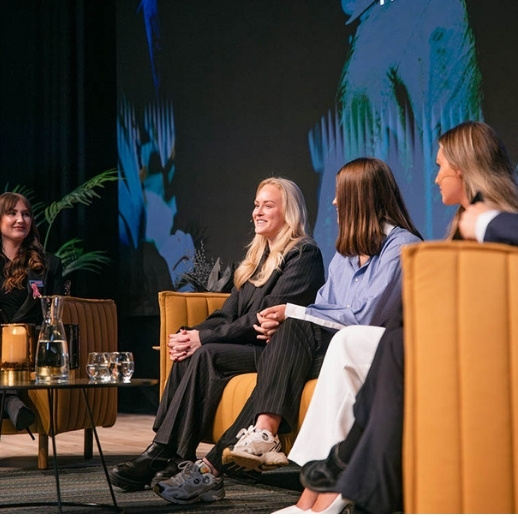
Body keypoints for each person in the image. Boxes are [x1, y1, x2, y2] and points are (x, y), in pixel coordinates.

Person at [275, 120, 518, 514]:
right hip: (443, 343)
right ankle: (325, 493)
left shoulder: (490, 222)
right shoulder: (459, 224)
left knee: (383, 342)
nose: (436, 176)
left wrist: (485, 222)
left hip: (478, 351)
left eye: (441, 166)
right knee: (370, 343)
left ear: (464, 169)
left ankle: (333, 480)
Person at [153, 157, 422, 506]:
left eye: (341, 195)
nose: (335, 202)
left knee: (290, 332)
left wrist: (292, 313)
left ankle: (217, 463)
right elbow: (323, 306)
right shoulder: (346, 252)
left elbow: (364, 316)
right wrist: (286, 317)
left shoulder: (401, 247)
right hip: (327, 347)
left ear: (361, 198)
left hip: (369, 353)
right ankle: (244, 444)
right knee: (281, 350)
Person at [109, 177, 326, 491]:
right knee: (191, 350)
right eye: (256, 205)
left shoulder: (303, 254)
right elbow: (227, 314)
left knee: (207, 352)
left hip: (280, 352)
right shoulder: (256, 260)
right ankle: (172, 455)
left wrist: (204, 340)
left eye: (268, 205)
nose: (258, 212)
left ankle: (160, 455)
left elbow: (265, 319)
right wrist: (191, 334)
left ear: (289, 213)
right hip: (252, 347)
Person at [0, 192, 64, 431]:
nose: (20, 219)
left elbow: (55, 313)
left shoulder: (49, 264)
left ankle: (10, 401)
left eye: (26, 214)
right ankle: (11, 402)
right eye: (12, 213)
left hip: (33, 346)